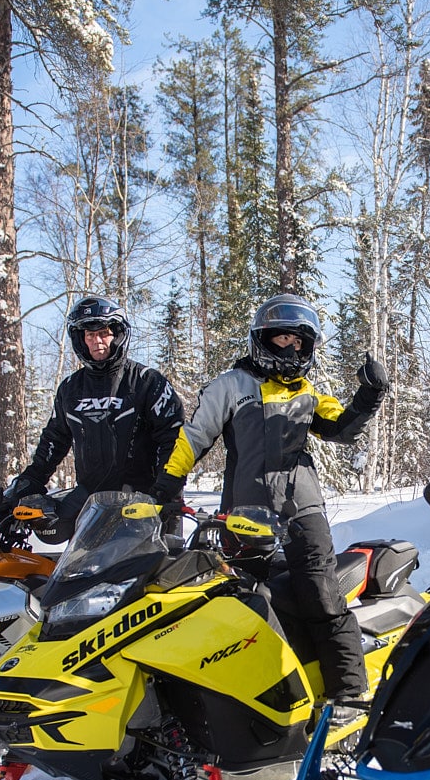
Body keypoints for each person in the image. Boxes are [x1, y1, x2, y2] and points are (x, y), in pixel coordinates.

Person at [152, 293, 389, 709]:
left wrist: (368, 396)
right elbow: (194, 437)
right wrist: (163, 488)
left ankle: (349, 693)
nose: (290, 347)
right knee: (243, 606)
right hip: (244, 514)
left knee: (321, 594)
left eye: (298, 342)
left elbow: (341, 427)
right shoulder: (230, 386)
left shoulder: (308, 391)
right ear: (262, 339)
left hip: (302, 509)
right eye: (281, 339)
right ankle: (262, 698)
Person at [0, 296, 185, 542]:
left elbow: (174, 439)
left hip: (144, 501)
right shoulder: (70, 389)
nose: (97, 341)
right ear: (80, 339)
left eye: (103, 333)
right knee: (78, 574)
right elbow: (52, 442)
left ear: (117, 334)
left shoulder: (147, 381)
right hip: (92, 502)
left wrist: (164, 491)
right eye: (89, 335)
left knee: (147, 576)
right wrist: (26, 484)